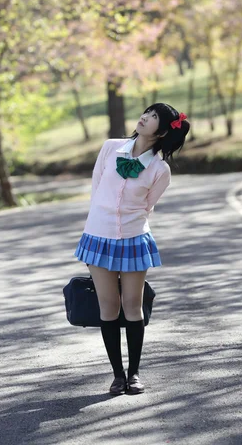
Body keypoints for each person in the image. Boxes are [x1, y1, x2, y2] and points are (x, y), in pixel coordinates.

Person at [74, 103, 190, 395]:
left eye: (153, 118)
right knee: (108, 306)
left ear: (162, 131)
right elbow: (97, 188)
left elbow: (148, 206)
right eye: (147, 113)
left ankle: (135, 374)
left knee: (132, 306)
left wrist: (126, 223)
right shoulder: (110, 148)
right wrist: (97, 224)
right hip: (98, 235)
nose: (145, 118)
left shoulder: (159, 169)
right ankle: (117, 375)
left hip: (134, 238)